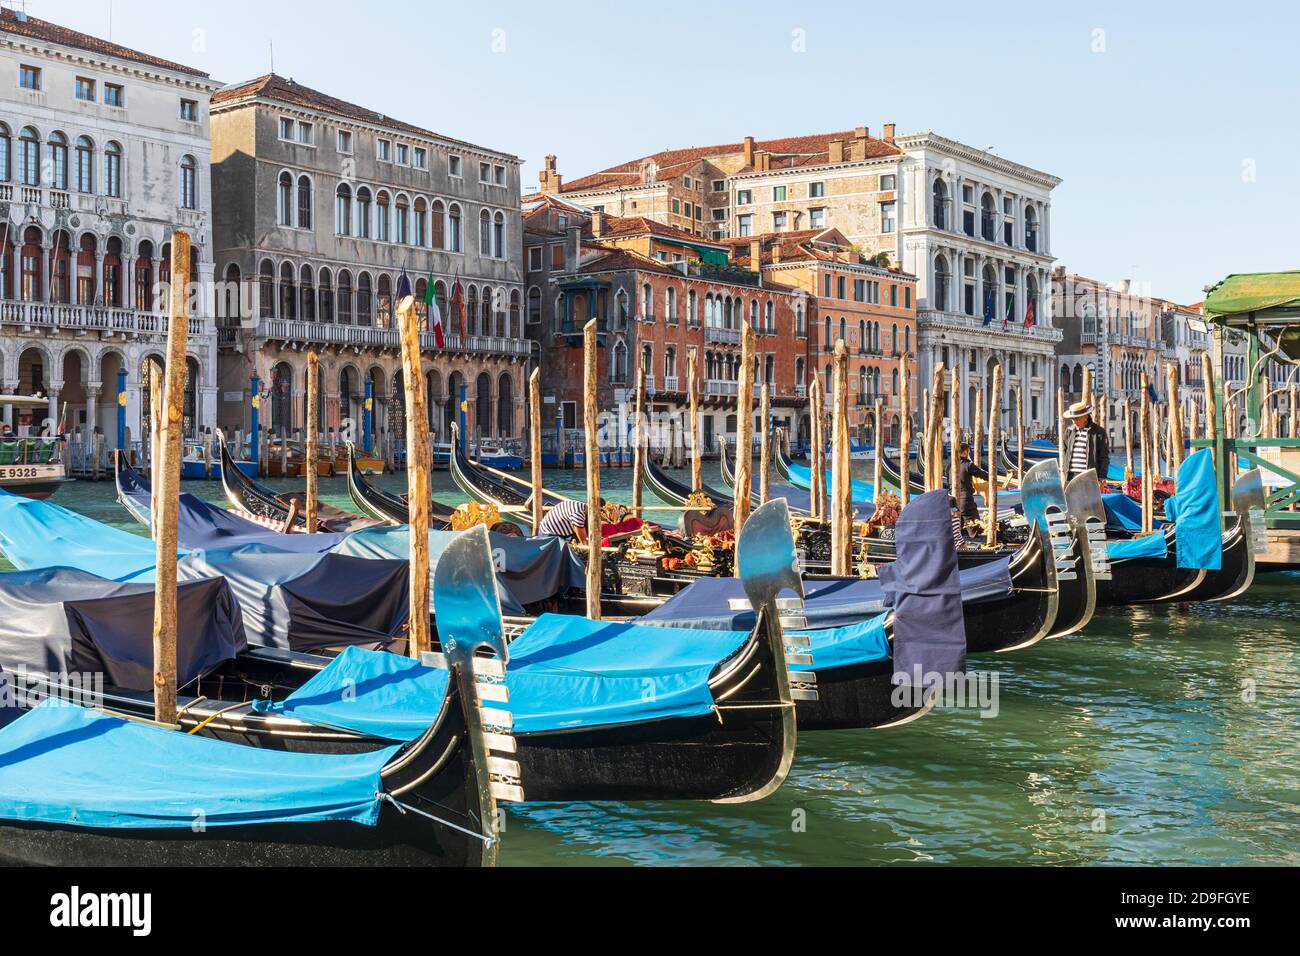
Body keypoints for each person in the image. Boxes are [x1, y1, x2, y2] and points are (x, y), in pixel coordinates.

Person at [1062, 400, 1110, 485]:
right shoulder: (1069, 431)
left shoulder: (1099, 432)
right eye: (1072, 419)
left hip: (1089, 477)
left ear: (1085, 417)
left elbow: (1104, 457)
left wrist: (1102, 477)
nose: (1074, 421)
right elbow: (1064, 451)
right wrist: (1063, 469)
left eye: (1077, 418)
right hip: (1070, 477)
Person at [538, 496, 603, 542]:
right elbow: (583, 541)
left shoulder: (581, 505)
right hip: (548, 534)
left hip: (558, 531)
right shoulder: (578, 514)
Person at [954, 442, 988, 522]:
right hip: (965, 501)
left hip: (952, 502)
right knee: (975, 528)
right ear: (965, 452)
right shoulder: (968, 465)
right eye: (968, 452)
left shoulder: (950, 466)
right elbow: (983, 475)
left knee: (959, 529)